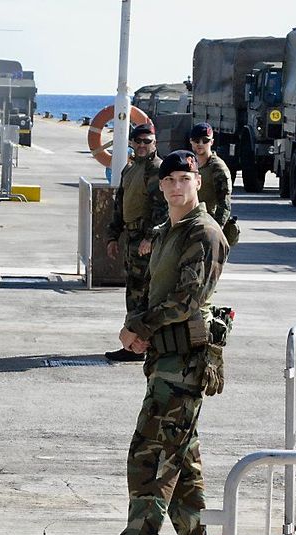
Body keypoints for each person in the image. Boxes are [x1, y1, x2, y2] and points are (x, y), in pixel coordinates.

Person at [77, 150, 230, 535]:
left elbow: (185, 300)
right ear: (161, 187)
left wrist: (137, 328)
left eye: (186, 178)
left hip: (182, 366)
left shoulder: (202, 233)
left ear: (198, 182)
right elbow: (155, 290)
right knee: (183, 466)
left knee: (150, 460)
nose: (178, 186)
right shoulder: (171, 230)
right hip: (165, 360)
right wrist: (142, 332)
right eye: (171, 180)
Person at [104, 123, 168, 363]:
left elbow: (162, 211)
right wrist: (112, 236)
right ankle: (134, 343)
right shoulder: (129, 170)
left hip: (145, 242)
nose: (142, 145)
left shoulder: (157, 170)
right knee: (133, 293)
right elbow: (119, 206)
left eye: (147, 141)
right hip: (131, 240)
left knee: (142, 295)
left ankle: (137, 346)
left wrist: (150, 237)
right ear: (131, 142)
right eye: (138, 141)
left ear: (155, 143)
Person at [189, 123, 231, 229]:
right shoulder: (189, 164)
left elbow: (224, 203)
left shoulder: (218, 167)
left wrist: (217, 228)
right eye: (197, 141)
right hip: (190, 221)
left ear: (211, 142)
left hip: (208, 223)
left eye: (205, 141)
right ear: (191, 142)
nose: (201, 144)